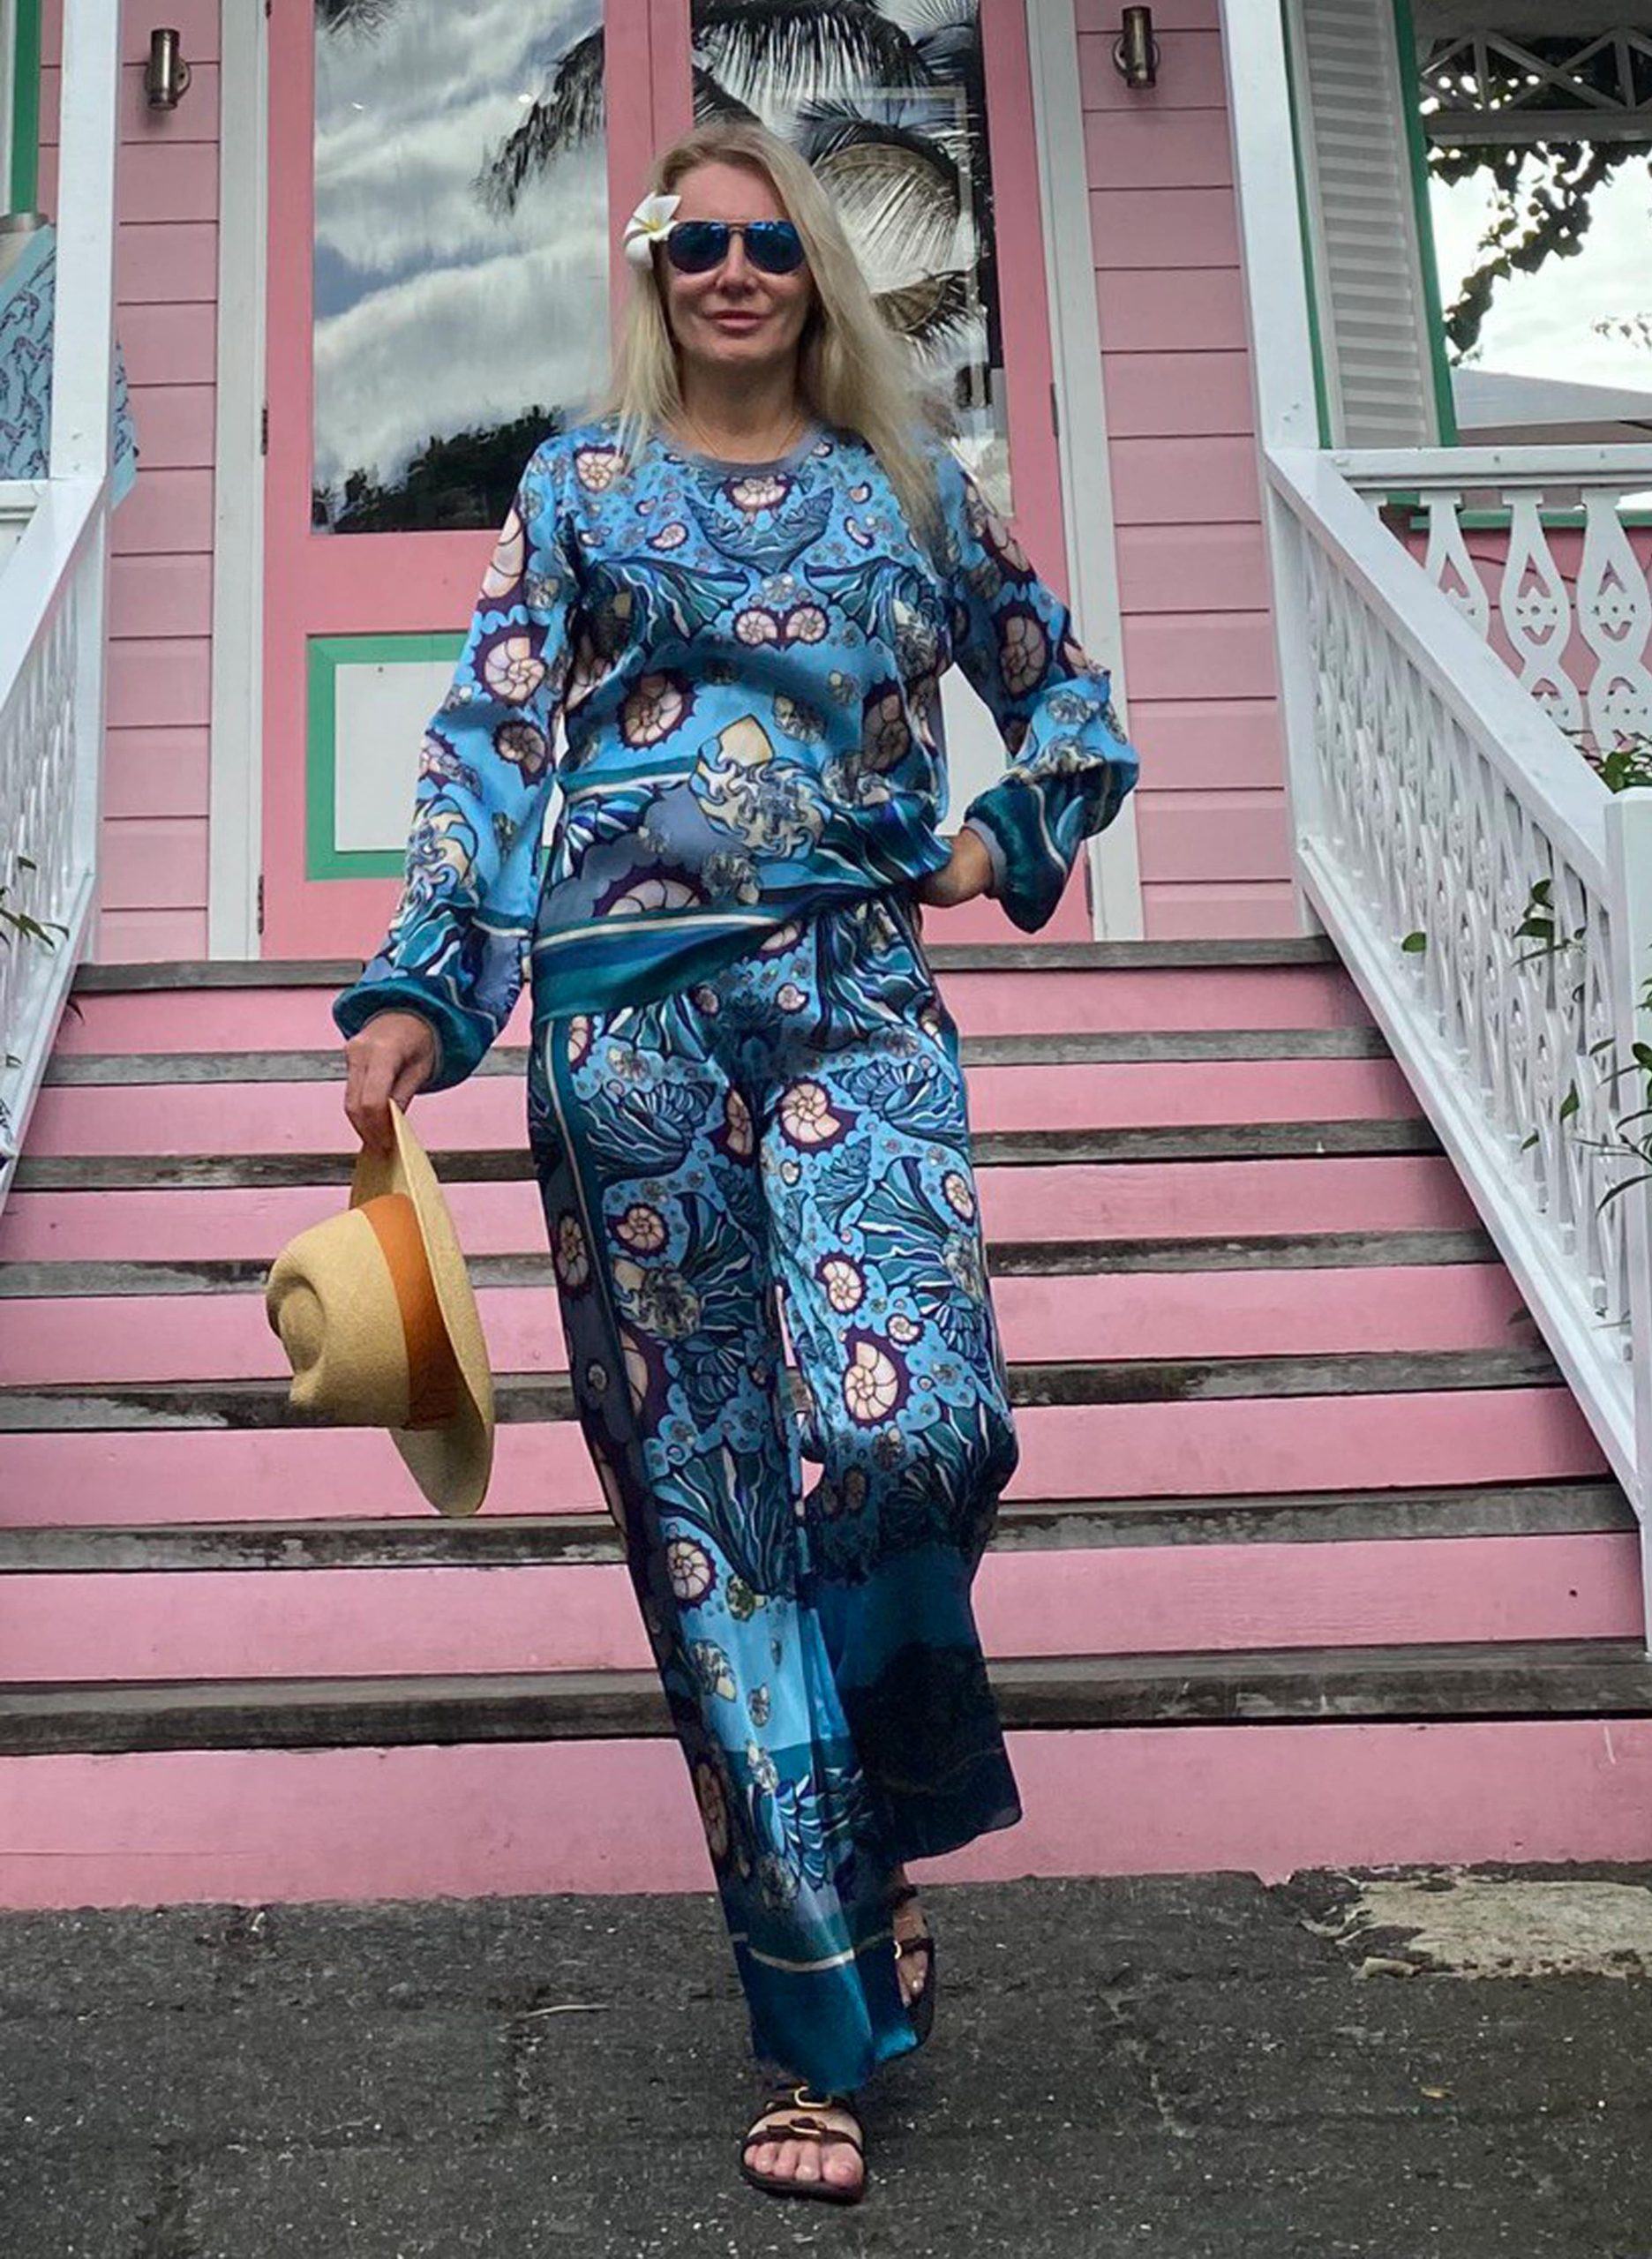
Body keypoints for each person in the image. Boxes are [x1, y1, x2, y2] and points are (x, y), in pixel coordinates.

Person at [334, 119, 1138, 2205]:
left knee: (913, 1424)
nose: (730, 271)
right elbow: (492, 738)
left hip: (856, 1002)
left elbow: (1069, 707)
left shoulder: (908, 491)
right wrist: (422, 991)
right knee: (714, 1527)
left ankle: (881, 1797)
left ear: (815, 269)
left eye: (766, 240)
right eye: (692, 243)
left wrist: (1000, 836)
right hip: (625, 1038)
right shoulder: (577, 487)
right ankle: (817, 2025)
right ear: (652, 271)